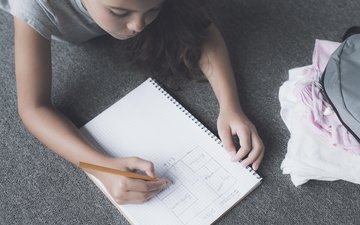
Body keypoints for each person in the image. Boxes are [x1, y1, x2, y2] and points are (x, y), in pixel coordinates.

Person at [1, 0, 265, 204]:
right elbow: (33, 108)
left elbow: (201, 31)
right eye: (119, 12)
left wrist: (231, 107)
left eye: (152, 10)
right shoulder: (34, 5)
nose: (138, 26)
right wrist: (100, 167)